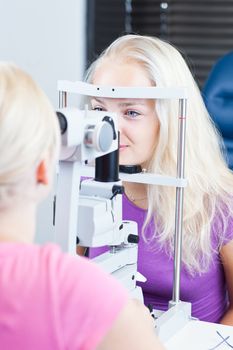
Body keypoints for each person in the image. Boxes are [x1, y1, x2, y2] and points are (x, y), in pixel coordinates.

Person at [0, 62, 165, 350]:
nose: (115, 125)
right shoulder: (77, 294)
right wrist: (130, 324)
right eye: (99, 110)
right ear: (42, 171)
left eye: (131, 112)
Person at [82, 34, 233, 325]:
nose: (109, 128)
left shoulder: (222, 200)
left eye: (131, 112)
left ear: (170, 117)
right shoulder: (89, 184)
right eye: (100, 110)